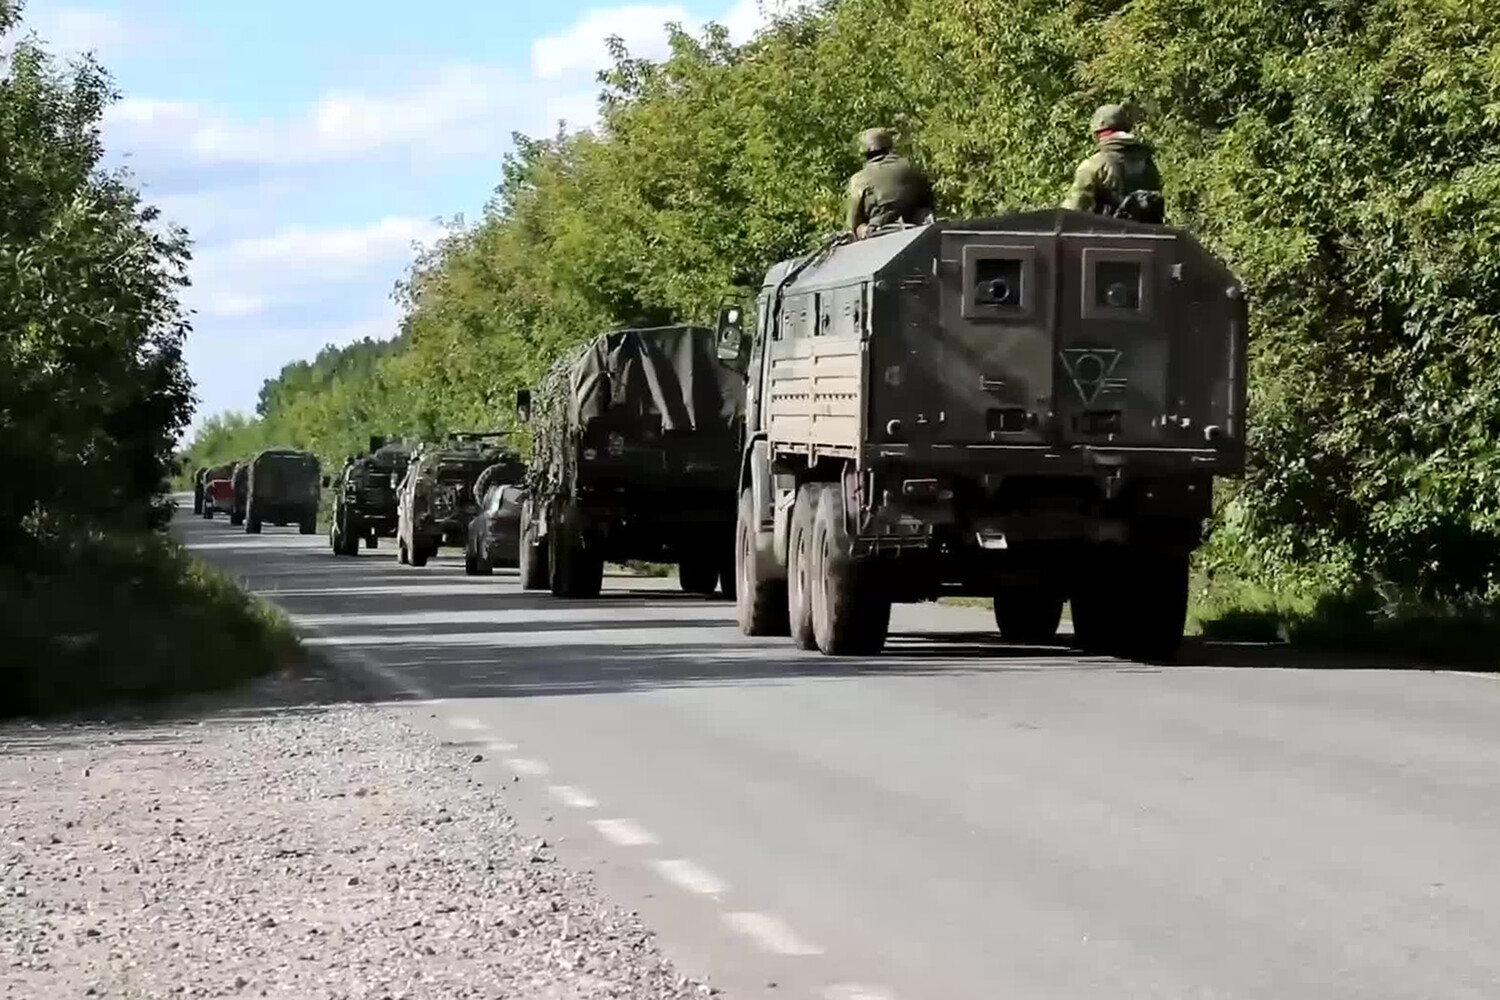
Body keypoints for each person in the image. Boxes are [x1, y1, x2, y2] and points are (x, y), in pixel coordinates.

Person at [1062, 104, 1165, 223]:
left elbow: (1072, 211)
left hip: (1109, 233)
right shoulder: (1147, 161)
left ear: (1097, 133)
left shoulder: (1095, 164)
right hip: (1150, 233)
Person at [847, 127, 935, 238]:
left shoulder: (860, 179)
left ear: (864, 153)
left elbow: (855, 219)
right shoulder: (911, 168)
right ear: (889, 146)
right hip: (916, 227)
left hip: (878, 231)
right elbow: (929, 200)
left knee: (859, 229)